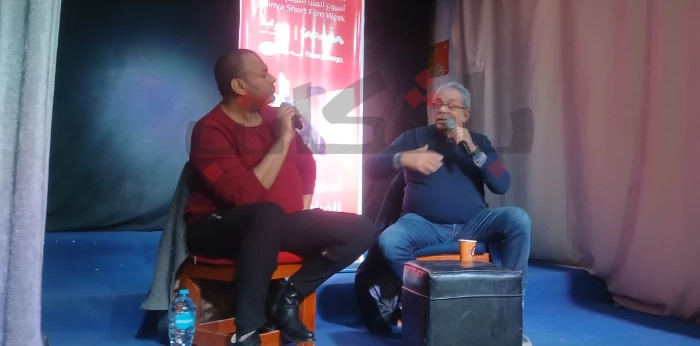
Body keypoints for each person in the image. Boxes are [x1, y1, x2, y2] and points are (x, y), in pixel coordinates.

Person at [185, 49, 374, 346]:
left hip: (273, 224)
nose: (272, 78)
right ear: (239, 86)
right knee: (267, 213)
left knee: (360, 229)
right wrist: (283, 138)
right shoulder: (210, 130)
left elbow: (306, 163)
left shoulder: (274, 117)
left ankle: (288, 297)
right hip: (215, 227)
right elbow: (243, 196)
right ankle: (247, 330)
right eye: (263, 74)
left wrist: (304, 206)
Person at [363, 82, 531, 290]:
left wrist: (474, 149)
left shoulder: (480, 142)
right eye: (438, 105)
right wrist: (402, 158)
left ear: (465, 114)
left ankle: (511, 295)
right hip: (423, 224)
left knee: (518, 219)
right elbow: (370, 167)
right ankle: (427, 294)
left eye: (450, 105)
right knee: (390, 240)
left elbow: (502, 182)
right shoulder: (414, 138)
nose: (442, 110)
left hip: (473, 224)